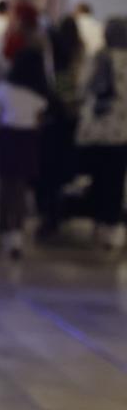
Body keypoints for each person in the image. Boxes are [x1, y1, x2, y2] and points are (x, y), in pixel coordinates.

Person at [0, 47, 51, 258]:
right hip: (27, 142)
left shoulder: (2, 89)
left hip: (5, 140)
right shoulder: (38, 96)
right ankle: (15, 231)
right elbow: (39, 122)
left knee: (5, 185)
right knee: (19, 188)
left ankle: (2, 225)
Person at [76, 16, 127, 251]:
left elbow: (82, 86)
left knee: (97, 177)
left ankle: (97, 221)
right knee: (115, 181)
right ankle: (111, 224)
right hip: (121, 130)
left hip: (96, 129)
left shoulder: (99, 57)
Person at [37, 16, 84, 237]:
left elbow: (64, 99)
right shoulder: (76, 60)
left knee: (50, 174)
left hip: (56, 127)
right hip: (68, 126)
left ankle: (51, 215)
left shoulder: (61, 68)